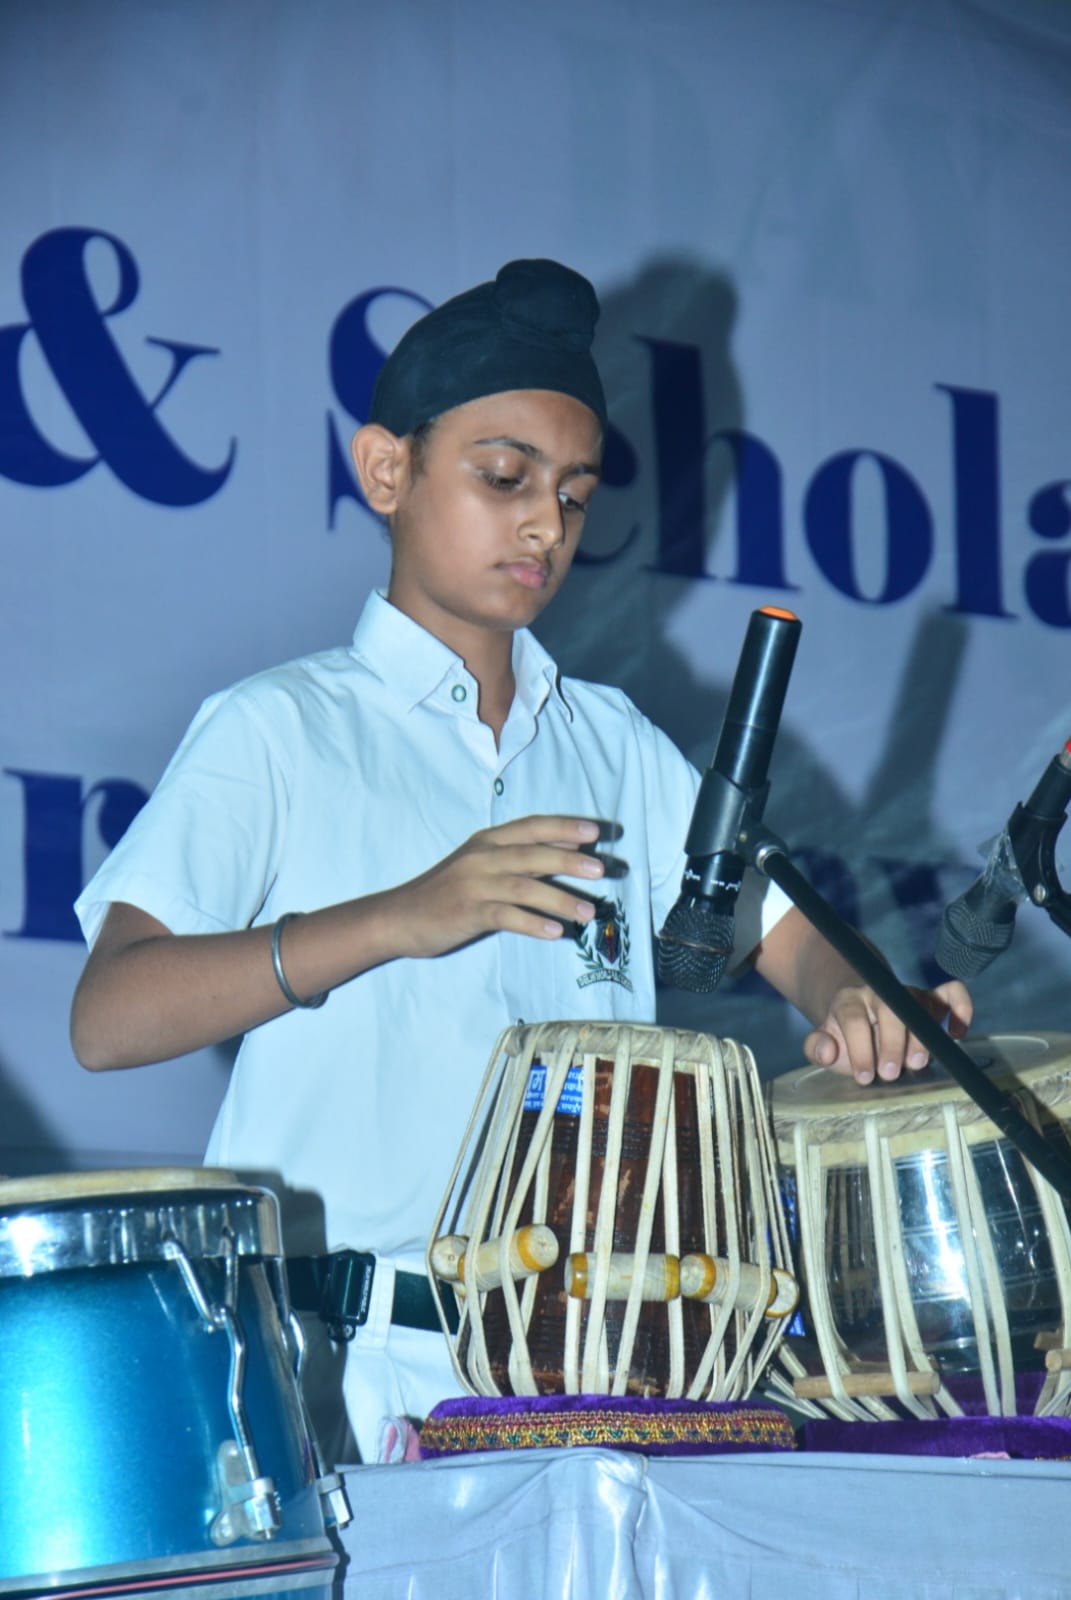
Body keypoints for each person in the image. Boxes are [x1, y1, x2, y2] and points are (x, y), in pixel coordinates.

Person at [70, 258, 971, 1463]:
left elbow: (787, 933)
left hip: (597, 1378)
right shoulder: (280, 728)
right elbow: (109, 1017)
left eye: (575, 495)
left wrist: (859, 1001)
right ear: (386, 470)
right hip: (347, 1375)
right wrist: (397, 916)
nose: (545, 524)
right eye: (504, 478)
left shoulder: (611, 743)